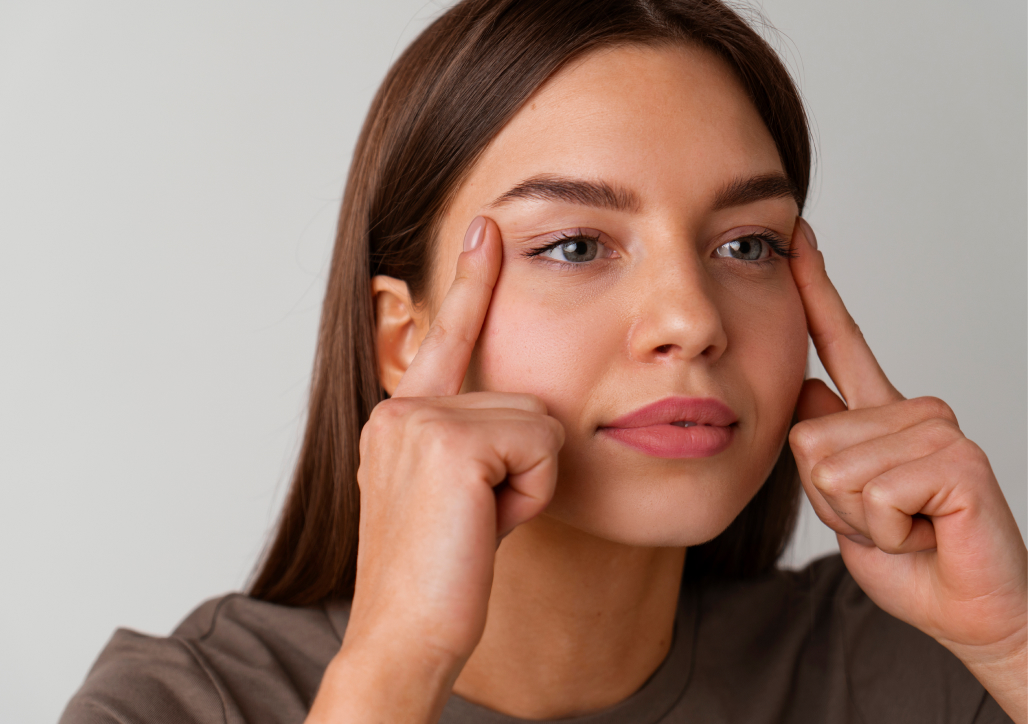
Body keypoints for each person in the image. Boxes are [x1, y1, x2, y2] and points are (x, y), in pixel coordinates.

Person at [60, 0, 1026, 722]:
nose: (691, 320)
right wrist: (394, 667)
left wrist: (1014, 643)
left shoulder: (925, 672)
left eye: (747, 246)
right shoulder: (178, 706)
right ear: (403, 339)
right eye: (574, 245)